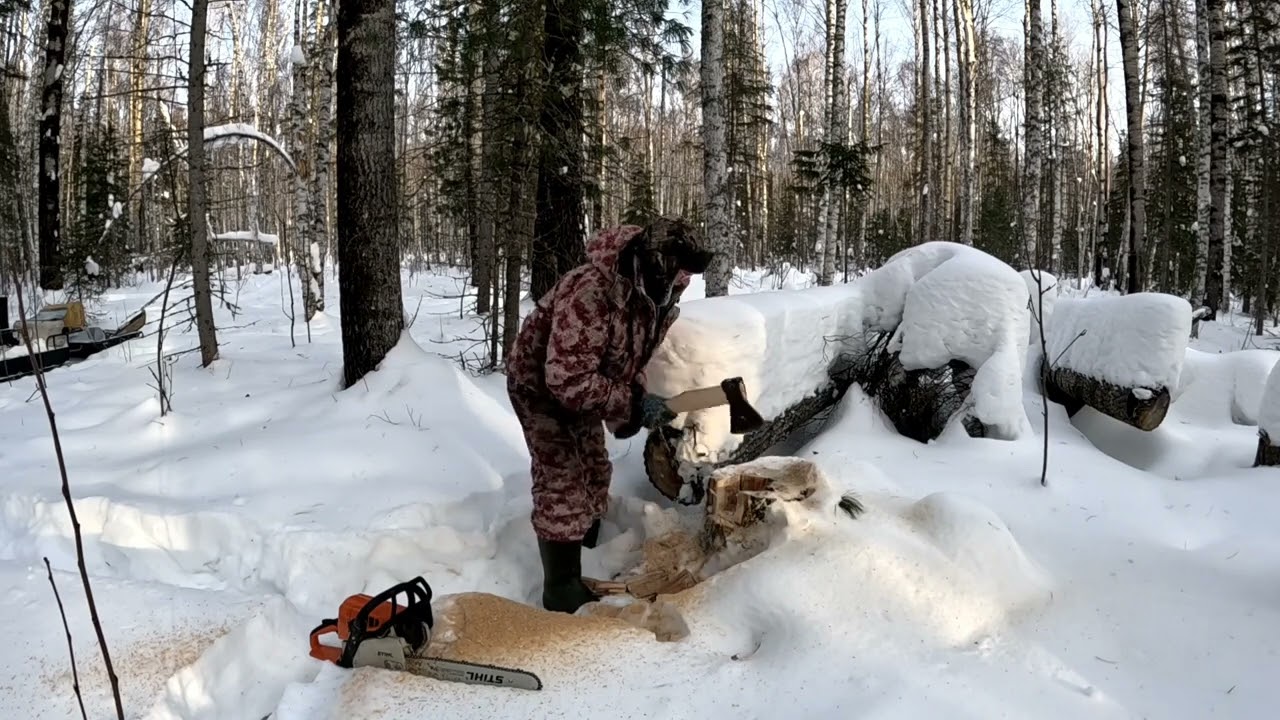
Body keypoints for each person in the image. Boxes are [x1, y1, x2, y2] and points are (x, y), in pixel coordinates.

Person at [506, 217, 714, 613]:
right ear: (650, 261)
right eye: (676, 271)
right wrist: (630, 405)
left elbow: (630, 357)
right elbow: (565, 380)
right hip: (540, 388)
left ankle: (587, 545)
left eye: (686, 274)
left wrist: (634, 404)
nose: (681, 281)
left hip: (586, 384)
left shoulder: (664, 296)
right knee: (562, 478)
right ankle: (561, 585)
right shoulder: (590, 291)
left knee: (596, 469)